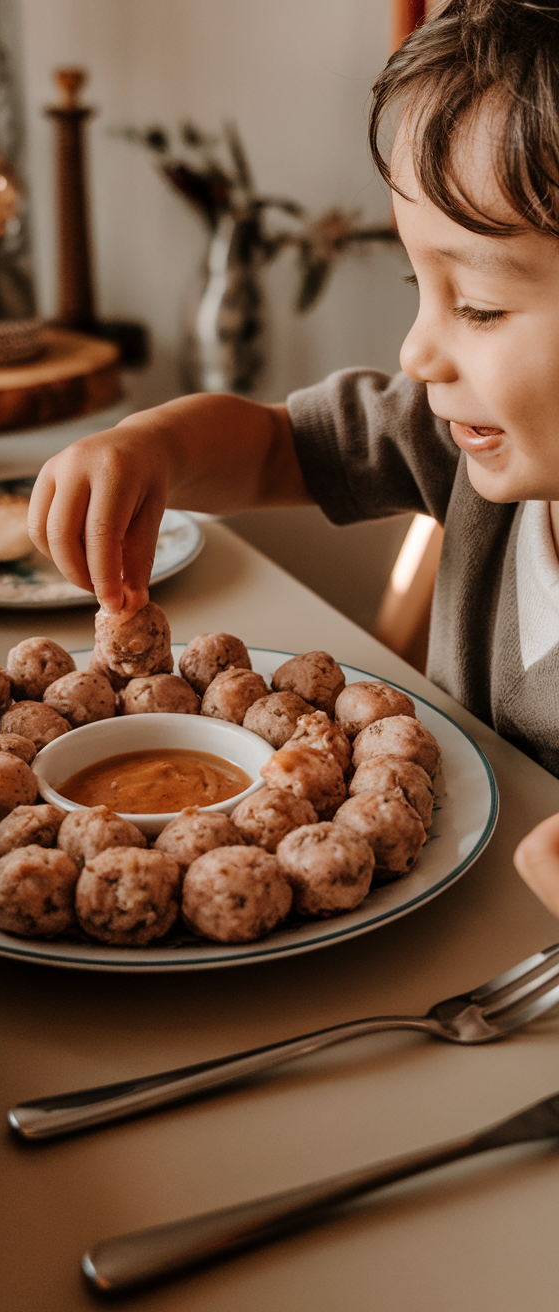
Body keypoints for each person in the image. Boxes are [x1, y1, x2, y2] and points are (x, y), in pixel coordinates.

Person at [28, 0, 559, 920]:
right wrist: (156, 444)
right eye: (417, 286)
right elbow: (280, 449)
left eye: (475, 305)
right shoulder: (465, 440)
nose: (417, 352)